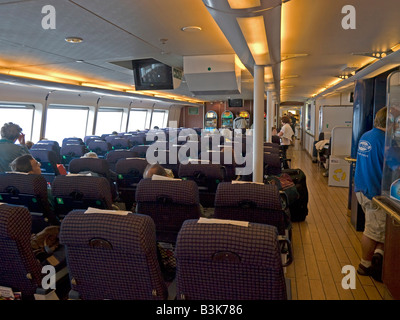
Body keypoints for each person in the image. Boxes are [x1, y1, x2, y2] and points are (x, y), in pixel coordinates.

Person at [354, 107, 387, 282]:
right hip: (375, 193)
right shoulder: (386, 142)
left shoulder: (366, 136)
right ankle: (364, 265)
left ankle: (378, 255)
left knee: (381, 227)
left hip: (361, 188)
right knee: (373, 230)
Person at [9, 154, 59, 226]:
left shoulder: (11, 188)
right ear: (30, 173)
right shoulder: (42, 188)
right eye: (36, 164)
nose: (40, 164)